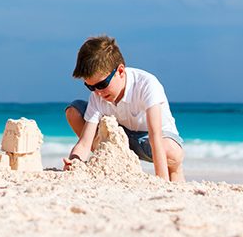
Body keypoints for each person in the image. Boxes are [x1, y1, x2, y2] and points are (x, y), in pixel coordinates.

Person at [64, 35, 185, 182]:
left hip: (153, 138)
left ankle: (175, 172)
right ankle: (113, 163)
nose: (98, 92)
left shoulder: (146, 84)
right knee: (74, 111)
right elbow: (84, 142)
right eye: (90, 86)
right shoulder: (97, 95)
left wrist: (161, 181)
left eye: (102, 85)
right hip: (123, 138)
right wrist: (74, 162)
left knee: (171, 153)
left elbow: (155, 137)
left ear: (120, 71)